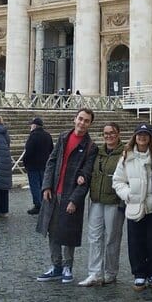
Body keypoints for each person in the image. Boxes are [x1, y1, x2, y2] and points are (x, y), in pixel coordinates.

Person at [36, 108, 98, 284]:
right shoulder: (63, 137)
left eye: (86, 121)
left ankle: (67, 267)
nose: (82, 123)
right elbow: (52, 161)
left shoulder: (91, 147)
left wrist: (75, 200)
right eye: (80, 119)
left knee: (69, 232)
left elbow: (86, 176)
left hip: (70, 194)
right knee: (52, 230)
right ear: (74, 119)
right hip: (54, 191)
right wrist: (46, 186)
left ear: (90, 124)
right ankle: (56, 265)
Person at [112, 123, 152, 291]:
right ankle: (139, 273)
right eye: (139, 134)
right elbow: (118, 181)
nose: (142, 137)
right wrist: (128, 194)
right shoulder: (126, 156)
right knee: (135, 242)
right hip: (134, 205)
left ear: (149, 138)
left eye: (145, 135)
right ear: (135, 137)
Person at [78, 122, 125, 287]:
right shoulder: (98, 152)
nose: (109, 136)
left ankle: (110, 272)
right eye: (106, 133)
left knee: (112, 237)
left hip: (114, 201)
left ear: (118, 134)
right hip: (97, 200)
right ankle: (95, 273)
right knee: (94, 237)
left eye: (112, 132)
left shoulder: (124, 153)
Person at [24, 117, 54, 215]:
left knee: (34, 186)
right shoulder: (48, 135)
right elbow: (51, 150)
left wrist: (25, 163)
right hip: (44, 164)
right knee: (43, 185)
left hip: (33, 165)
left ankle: (38, 205)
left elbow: (28, 151)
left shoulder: (33, 136)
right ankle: (44, 203)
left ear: (34, 125)